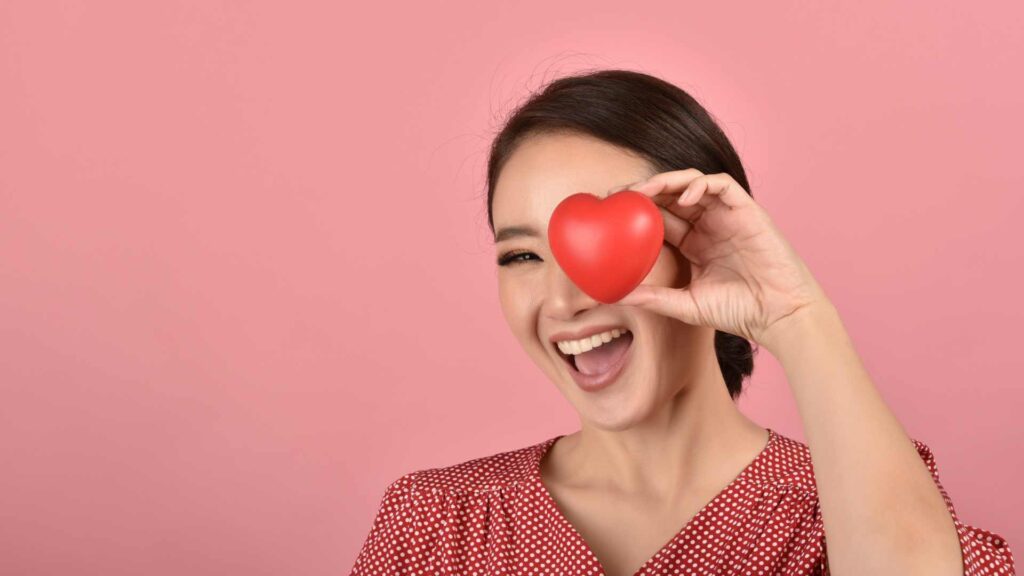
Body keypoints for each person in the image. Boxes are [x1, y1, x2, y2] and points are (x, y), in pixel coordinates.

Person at [348, 69, 1015, 575]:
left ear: (703, 244)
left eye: (604, 242)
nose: (563, 298)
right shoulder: (437, 526)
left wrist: (797, 316)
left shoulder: (849, 511)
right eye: (522, 255)